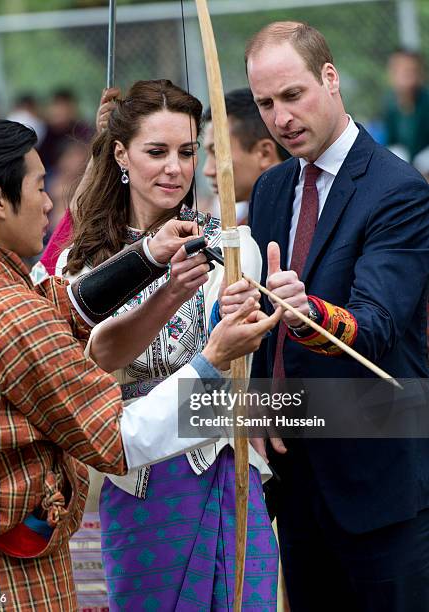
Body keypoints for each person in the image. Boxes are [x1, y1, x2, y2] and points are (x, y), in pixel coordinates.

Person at [0, 119, 281, 611]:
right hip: (20, 560)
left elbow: (59, 306)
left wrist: (147, 259)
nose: (49, 202)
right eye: (38, 186)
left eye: (187, 151)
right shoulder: (13, 314)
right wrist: (213, 360)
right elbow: (117, 438)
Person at [51, 79, 280, 611]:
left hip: (228, 464)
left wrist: (256, 312)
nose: (174, 168)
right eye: (156, 152)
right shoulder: (83, 262)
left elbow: (247, 362)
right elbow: (91, 362)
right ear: (120, 154)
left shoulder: (230, 241)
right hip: (140, 477)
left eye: (186, 151)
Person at [246, 21, 429, 612]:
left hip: (381, 479)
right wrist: (258, 404)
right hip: (296, 479)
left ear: (331, 78)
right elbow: (261, 331)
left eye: (293, 95)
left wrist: (308, 313)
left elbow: (374, 327)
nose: (280, 118)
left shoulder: (398, 190)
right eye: (266, 103)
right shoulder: (273, 188)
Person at [202, 87, 289, 223]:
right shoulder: (250, 222)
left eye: (217, 153)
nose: (207, 171)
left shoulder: (297, 218)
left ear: (264, 154)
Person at [382, 48, 429, 162]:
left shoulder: (425, 101)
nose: (407, 77)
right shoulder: (390, 103)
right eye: (402, 71)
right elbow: (391, 142)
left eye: (412, 71)